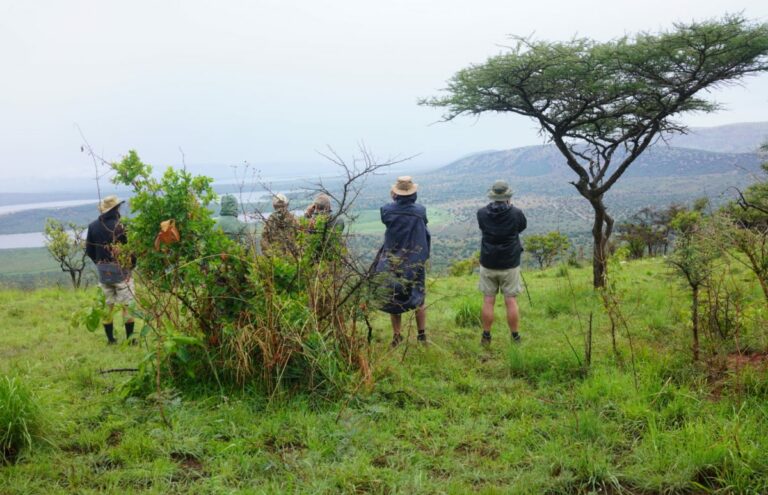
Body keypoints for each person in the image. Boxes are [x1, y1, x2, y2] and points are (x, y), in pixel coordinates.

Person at [375, 176, 430, 347]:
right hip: (414, 260)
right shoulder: (420, 210)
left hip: (393, 261)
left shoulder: (386, 210)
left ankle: (397, 336)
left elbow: (388, 219)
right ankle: (421, 335)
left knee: (394, 298)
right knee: (419, 298)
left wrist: (393, 199)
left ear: (396, 193)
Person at [476, 180, 527, 345]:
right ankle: (515, 337)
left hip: (488, 262)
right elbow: (521, 228)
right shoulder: (516, 213)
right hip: (510, 262)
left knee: (488, 299)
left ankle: (486, 335)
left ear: (493, 195)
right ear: (508, 196)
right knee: (510, 300)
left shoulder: (482, 213)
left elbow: (483, 228)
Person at [85, 195, 136, 345]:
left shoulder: (93, 226)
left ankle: (111, 340)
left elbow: (89, 250)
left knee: (107, 306)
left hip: (103, 272)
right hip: (122, 272)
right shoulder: (122, 225)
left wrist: (100, 264)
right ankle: (131, 340)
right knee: (127, 305)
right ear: (116, 208)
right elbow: (131, 250)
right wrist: (131, 266)